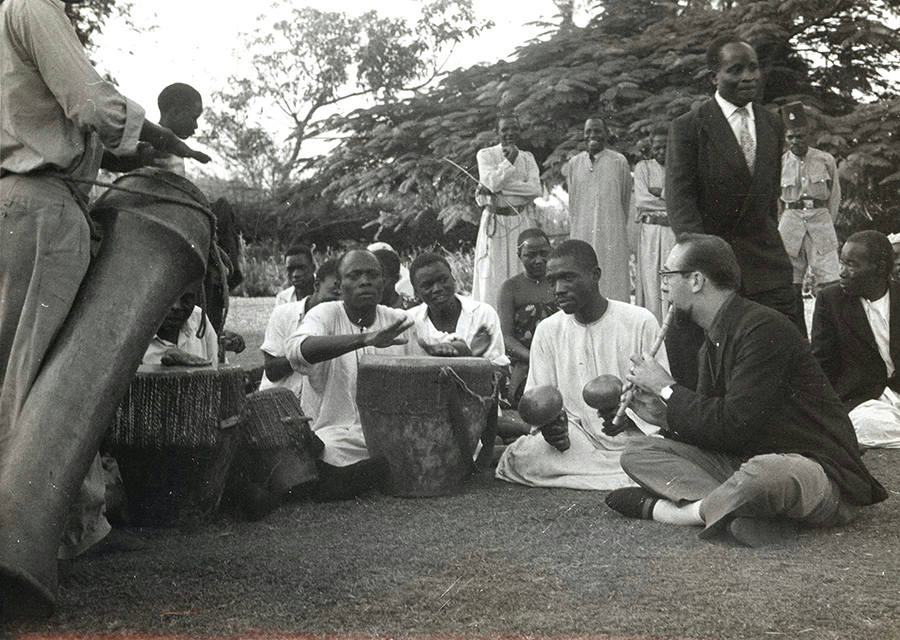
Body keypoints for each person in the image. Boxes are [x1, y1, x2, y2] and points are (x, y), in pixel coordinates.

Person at [0, 0, 210, 566]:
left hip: (23, 202)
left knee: (34, 367)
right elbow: (92, 104)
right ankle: (23, 543)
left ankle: (75, 527)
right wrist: (163, 139)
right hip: (43, 206)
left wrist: (123, 154)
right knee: (45, 372)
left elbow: (48, 128)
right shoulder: (32, 8)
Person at [605, 233, 886, 547]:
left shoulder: (763, 328)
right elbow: (717, 431)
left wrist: (666, 388)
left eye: (668, 274)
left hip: (815, 470)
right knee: (637, 452)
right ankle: (753, 512)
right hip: (745, 460)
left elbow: (735, 424)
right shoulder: (711, 338)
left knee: (768, 473)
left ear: (696, 280)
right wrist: (663, 417)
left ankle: (669, 512)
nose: (663, 284)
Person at [665, 34, 800, 390]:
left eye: (753, 68)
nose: (748, 77)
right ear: (714, 76)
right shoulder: (689, 127)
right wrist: (707, 263)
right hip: (714, 268)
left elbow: (768, 198)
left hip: (766, 262)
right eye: (735, 69)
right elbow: (681, 204)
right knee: (712, 366)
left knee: (778, 352)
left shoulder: (772, 123)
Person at [495, 240, 667, 491]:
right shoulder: (547, 330)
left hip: (632, 438)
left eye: (568, 278)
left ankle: (622, 473)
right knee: (524, 455)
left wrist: (628, 418)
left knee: (654, 455)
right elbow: (540, 398)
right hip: (577, 440)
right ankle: (626, 477)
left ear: (595, 275)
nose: (558, 289)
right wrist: (553, 427)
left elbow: (660, 398)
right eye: (552, 281)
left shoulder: (639, 321)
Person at [284, 250, 423, 498]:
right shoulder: (325, 314)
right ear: (339, 285)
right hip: (334, 433)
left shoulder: (399, 321)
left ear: (384, 283)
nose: (364, 281)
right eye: (354, 275)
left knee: (418, 443)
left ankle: (350, 477)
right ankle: (357, 475)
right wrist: (364, 339)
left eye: (372, 275)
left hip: (388, 433)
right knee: (330, 449)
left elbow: (425, 371)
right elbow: (297, 350)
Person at [812, 231, 900, 448]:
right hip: (865, 400)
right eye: (841, 263)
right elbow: (822, 362)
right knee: (860, 426)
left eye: (852, 265)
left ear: (878, 268)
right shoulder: (830, 300)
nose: (841, 272)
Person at [778, 101, 841, 334]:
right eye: (791, 137)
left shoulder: (825, 160)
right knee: (790, 284)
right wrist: (780, 227)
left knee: (831, 282)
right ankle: (798, 338)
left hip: (820, 221)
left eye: (800, 136)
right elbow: (777, 202)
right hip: (790, 224)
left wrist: (827, 225)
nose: (795, 142)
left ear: (809, 135)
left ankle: (830, 334)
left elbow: (834, 196)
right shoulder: (781, 162)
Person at [472, 115, 542, 309]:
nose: (510, 133)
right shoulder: (485, 155)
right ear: (497, 132)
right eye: (505, 130)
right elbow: (490, 183)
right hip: (495, 221)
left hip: (520, 220)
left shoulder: (527, 158)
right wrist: (509, 161)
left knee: (522, 268)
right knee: (493, 273)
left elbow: (535, 190)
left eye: (514, 129)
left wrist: (501, 188)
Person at [563, 117, 633, 303]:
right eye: (588, 132)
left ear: (606, 134)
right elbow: (573, 205)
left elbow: (625, 201)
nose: (592, 135)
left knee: (613, 282)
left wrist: (614, 227)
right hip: (583, 233)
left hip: (612, 236)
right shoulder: (574, 164)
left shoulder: (619, 162)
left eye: (597, 131)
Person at [259, 259, 341, 405]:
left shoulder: (343, 320)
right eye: (334, 292)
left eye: (343, 296)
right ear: (317, 285)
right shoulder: (283, 313)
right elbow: (271, 371)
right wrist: (306, 353)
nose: (338, 301)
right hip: (276, 408)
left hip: (317, 412)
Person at [408, 252, 508, 366]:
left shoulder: (482, 313)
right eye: (427, 285)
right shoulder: (410, 321)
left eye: (443, 280)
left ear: (453, 278)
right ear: (416, 292)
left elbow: (500, 368)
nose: (437, 288)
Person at [497, 229, 558, 406]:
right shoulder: (510, 288)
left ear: (551, 251)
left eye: (544, 254)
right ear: (519, 254)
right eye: (530, 255)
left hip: (561, 357)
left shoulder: (559, 282)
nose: (538, 260)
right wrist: (534, 358)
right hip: (525, 362)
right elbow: (506, 337)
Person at [634, 126, 675, 323]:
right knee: (652, 283)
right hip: (650, 232)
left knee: (672, 279)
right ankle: (653, 329)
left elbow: (682, 198)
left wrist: (660, 192)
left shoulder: (680, 167)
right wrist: (670, 197)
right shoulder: (643, 168)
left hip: (672, 231)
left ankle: (672, 333)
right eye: (657, 147)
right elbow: (642, 200)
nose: (661, 152)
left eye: (665, 147)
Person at [148, 83, 204, 176]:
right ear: (176, 112)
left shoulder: (173, 147)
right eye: (194, 118)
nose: (195, 125)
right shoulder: (156, 145)